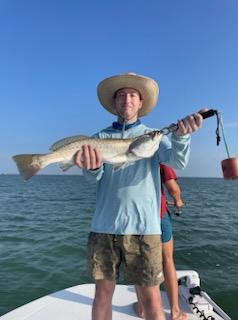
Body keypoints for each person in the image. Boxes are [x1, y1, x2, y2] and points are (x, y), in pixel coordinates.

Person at [74, 72, 205, 320]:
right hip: (104, 228)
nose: (127, 99)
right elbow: (93, 178)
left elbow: (178, 161)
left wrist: (182, 136)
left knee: (151, 298)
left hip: (145, 229)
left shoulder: (155, 136)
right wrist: (90, 167)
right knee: (102, 295)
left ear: (141, 102)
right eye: (121, 95)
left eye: (132, 94)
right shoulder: (99, 138)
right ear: (115, 103)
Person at [133, 163, 187, 320]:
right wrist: (178, 200)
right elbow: (173, 188)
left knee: (139, 261)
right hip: (159, 215)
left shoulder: (131, 157)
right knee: (167, 260)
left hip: (135, 218)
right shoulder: (160, 157)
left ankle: (142, 308)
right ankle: (175, 311)